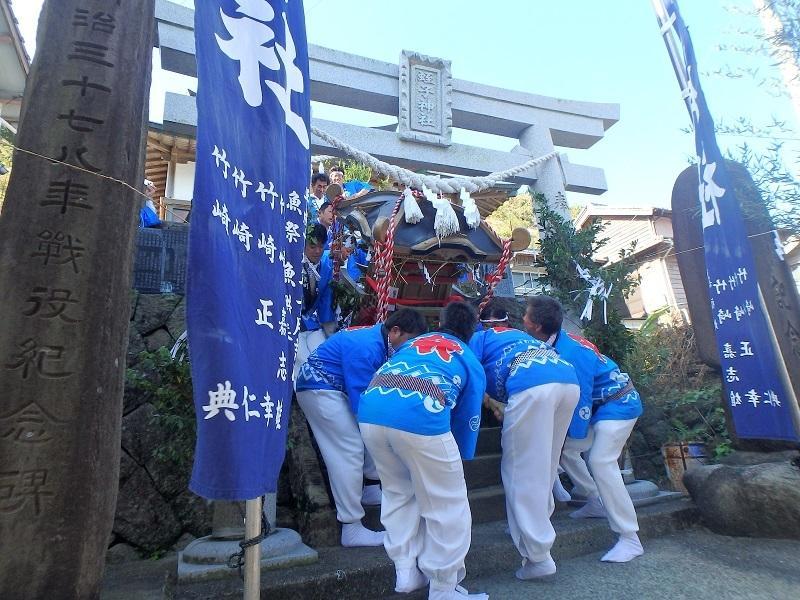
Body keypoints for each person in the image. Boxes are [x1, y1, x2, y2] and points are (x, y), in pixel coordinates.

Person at [358, 303, 488, 600]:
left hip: (372, 412)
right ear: (471, 331)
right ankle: (443, 587)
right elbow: (468, 419)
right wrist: (459, 458)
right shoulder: (467, 356)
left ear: (439, 323)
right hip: (421, 413)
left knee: (397, 493)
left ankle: (405, 573)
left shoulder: (412, 343)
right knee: (448, 505)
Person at [524, 295, 644, 563]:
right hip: (603, 407)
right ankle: (594, 499)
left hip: (619, 403)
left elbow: (582, 397)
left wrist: (573, 431)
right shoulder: (558, 340)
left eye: (526, 315)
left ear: (537, 326)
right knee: (565, 450)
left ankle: (630, 538)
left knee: (602, 462)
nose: (523, 319)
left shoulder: (571, 352)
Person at [295, 308, 428, 547]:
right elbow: (363, 406)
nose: (410, 348)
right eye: (410, 341)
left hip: (335, 389)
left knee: (369, 437)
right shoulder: (365, 347)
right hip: (319, 389)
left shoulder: (380, 341)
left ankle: (369, 488)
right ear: (395, 331)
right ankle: (351, 527)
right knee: (349, 449)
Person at [469, 300, 579, 580]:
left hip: (532, 385)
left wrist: (488, 405)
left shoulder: (479, 338)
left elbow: (471, 375)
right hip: (567, 380)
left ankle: (538, 556)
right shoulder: (520, 336)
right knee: (546, 465)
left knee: (520, 471)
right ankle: (535, 524)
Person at [294, 224, 336, 380]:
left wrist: (329, 330)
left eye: (321, 246)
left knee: (321, 352)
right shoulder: (293, 265)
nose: (318, 251)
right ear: (303, 245)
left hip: (311, 322)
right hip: (292, 322)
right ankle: (301, 391)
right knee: (302, 358)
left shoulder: (326, 267)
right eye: (312, 246)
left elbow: (325, 301)